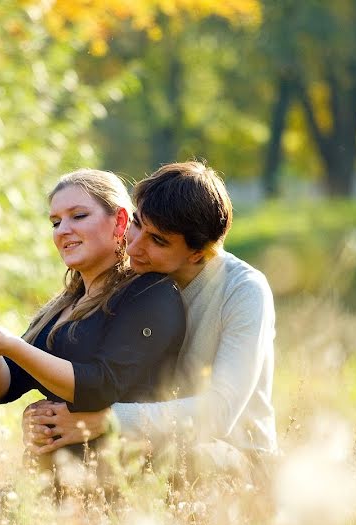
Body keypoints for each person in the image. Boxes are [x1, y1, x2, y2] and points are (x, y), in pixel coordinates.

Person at [23, 161, 278, 477]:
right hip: (151, 446)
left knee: (187, 462)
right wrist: (48, 418)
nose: (136, 245)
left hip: (231, 454)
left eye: (158, 240)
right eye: (137, 224)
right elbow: (100, 375)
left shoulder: (243, 290)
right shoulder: (130, 282)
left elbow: (220, 412)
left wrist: (104, 421)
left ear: (198, 253)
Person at [0, 169, 185, 457]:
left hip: (123, 474)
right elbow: (2, 388)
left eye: (78, 216)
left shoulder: (149, 294)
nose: (62, 230)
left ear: (120, 221)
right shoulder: (63, 306)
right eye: (56, 222)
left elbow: (100, 387)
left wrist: (10, 345)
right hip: (57, 483)